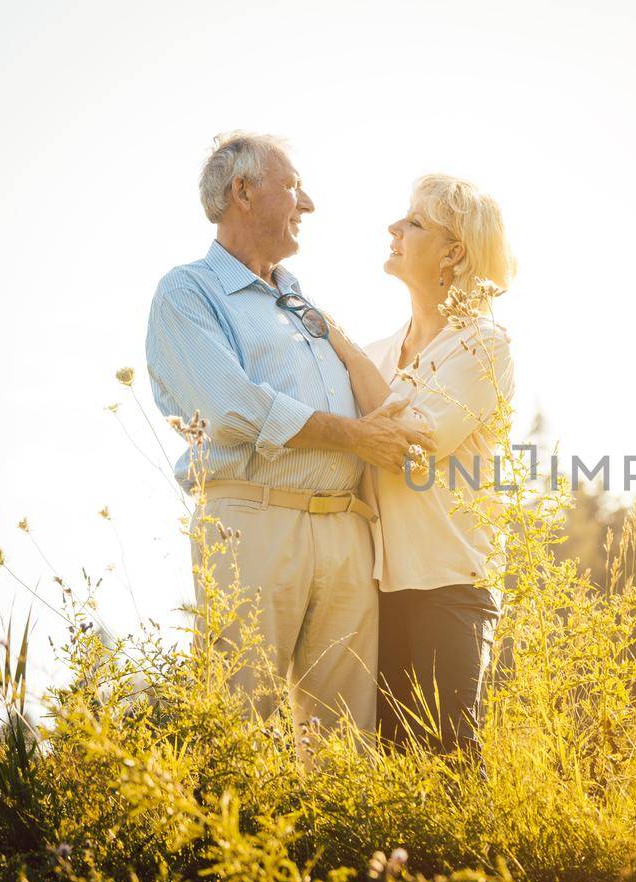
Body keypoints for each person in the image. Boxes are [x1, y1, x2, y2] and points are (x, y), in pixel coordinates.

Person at [145, 132, 432, 736]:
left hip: (344, 528)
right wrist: (355, 438)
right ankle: (227, 831)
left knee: (343, 741)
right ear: (242, 192)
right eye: (293, 186)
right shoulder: (188, 291)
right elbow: (234, 409)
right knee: (238, 724)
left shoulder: (300, 299)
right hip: (254, 521)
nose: (308, 204)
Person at [327, 174, 518, 752]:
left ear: (453, 252)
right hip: (374, 590)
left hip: (450, 587)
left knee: (451, 766)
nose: (394, 229)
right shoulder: (382, 351)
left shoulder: (484, 345)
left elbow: (414, 442)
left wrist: (341, 348)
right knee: (389, 769)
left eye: (412, 222)